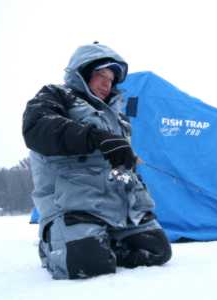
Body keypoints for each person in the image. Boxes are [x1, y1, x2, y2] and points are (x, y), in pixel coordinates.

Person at [22, 42, 172, 279]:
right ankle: (55, 244)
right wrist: (94, 137)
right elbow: (37, 128)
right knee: (89, 265)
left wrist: (134, 183)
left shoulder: (118, 117)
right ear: (82, 73)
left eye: (111, 80)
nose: (107, 84)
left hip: (118, 209)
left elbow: (122, 166)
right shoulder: (55, 95)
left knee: (157, 251)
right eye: (101, 75)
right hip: (72, 205)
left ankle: (101, 241)